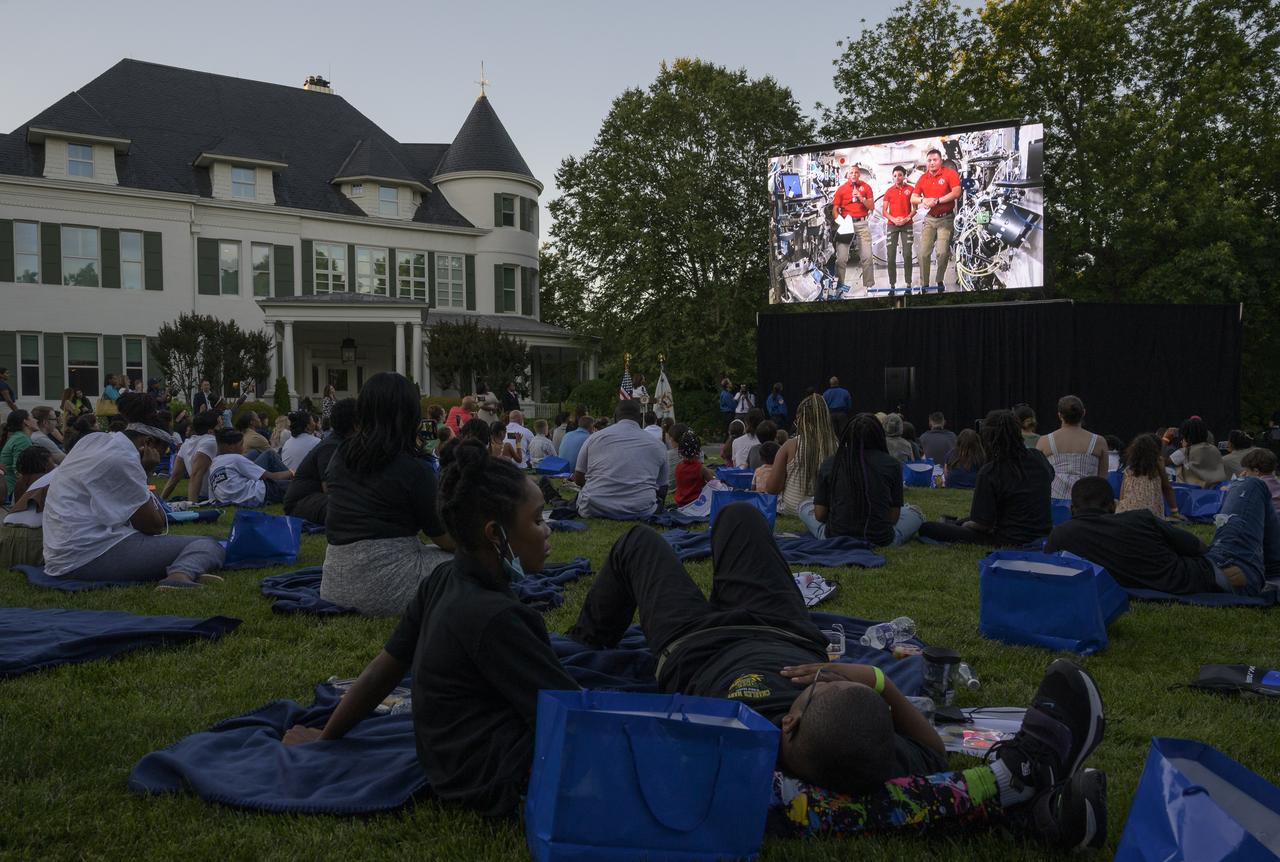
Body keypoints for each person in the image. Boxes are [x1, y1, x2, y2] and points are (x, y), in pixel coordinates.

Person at [287, 491, 1108, 850]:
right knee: (742, 516)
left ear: (793, 724)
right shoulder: (878, 759)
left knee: (641, 543)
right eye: (538, 516)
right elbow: (927, 777)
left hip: (696, 650)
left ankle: (588, 636)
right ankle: (1033, 797)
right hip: (781, 628)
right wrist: (875, 682)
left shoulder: (740, 756)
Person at [41, 392, 225, 589]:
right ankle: (180, 575)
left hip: (62, 553)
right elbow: (154, 525)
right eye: (163, 450)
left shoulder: (93, 441)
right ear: (149, 443)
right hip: (87, 556)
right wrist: (148, 471)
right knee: (207, 544)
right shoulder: (123, 459)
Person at [320, 373, 455, 616]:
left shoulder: (341, 454)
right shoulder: (414, 469)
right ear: (410, 415)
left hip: (334, 584)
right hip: (388, 587)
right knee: (478, 562)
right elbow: (444, 539)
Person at [1047, 475, 1277, 596]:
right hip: (1231, 573)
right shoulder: (1139, 519)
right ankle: (1275, 567)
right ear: (1113, 506)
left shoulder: (1059, 538)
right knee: (1249, 484)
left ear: (1071, 509)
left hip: (1221, 577)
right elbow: (1198, 547)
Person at [918, 410, 1055, 547]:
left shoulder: (991, 471)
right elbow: (1050, 476)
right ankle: (955, 524)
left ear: (988, 438)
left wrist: (966, 525)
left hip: (1007, 538)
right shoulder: (1038, 458)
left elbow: (982, 525)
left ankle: (954, 525)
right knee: (962, 522)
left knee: (928, 528)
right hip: (1042, 533)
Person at [800, 413, 923, 545]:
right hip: (880, 539)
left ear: (847, 435)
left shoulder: (830, 463)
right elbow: (893, 518)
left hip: (834, 536)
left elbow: (819, 515)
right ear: (879, 435)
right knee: (915, 512)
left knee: (804, 505)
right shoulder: (891, 464)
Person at [571, 399, 668, 520]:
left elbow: (579, 478)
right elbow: (662, 488)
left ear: (615, 417)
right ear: (639, 418)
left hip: (594, 506)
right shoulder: (658, 445)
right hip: (641, 509)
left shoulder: (594, 438)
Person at [285, 398, 356, 525]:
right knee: (349, 506)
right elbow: (329, 487)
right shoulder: (331, 447)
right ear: (354, 423)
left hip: (314, 499)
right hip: (301, 503)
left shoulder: (339, 443)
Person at [764, 394, 838, 516]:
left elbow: (772, 489)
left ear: (801, 419)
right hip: (826, 511)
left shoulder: (790, 445)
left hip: (791, 509)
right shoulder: (837, 446)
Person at [1036, 395, 1109, 499]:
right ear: (1083, 413)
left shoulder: (1044, 441)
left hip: (1054, 502)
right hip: (1089, 501)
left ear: (1060, 415)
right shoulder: (1099, 441)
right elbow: (1103, 479)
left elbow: (1037, 477)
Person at [911, 148, 963, 292]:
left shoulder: (949, 174)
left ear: (941, 161)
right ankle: (924, 284)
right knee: (923, 253)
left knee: (942, 252)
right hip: (929, 219)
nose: (932, 163)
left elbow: (956, 192)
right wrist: (924, 199)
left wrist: (937, 201)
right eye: (929, 160)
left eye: (935, 160)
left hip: (945, 219)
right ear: (926, 163)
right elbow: (913, 198)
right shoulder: (923, 178)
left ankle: (939, 280)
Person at [208, 428, 293, 508]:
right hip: (262, 493)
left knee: (255, 452)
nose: (243, 448)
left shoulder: (213, 465)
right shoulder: (235, 458)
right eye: (241, 445)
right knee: (300, 487)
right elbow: (271, 477)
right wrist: (292, 472)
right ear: (231, 448)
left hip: (242, 495)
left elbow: (213, 498)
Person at [831, 164, 875, 294]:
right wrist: (841, 222)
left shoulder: (866, 187)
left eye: (856, 173)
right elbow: (835, 210)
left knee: (867, 257)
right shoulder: (841, 189)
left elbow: (871, 206)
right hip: (847, 224)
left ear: (859, 174)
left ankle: (869, 286)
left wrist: (861, 197)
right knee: (841, 259)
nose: (854, 175)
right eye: (851, 173)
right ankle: (840, 287)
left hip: (862, 224)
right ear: (847, 175)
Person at [159, 409, 220, 502]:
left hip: (202, 494)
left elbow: (175, 477)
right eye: (220, 424)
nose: (222, 427)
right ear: (211, 430)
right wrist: (192, 505)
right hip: (213, 495)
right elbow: (196, 474)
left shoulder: (186, 444)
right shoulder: (211, 441)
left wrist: (161, 500)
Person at [1115, 434, 1179, 519]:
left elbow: (1122, 495)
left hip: (1126, 515)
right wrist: (1175, 512)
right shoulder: (1158, 467)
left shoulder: (1128, 470)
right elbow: (1167, 488)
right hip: (1152, 517)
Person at [881, 165, 917, 293]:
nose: (897, 177)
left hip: (907, 225)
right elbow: (884, 211)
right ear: (892, 176)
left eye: (900, 175)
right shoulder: (889, 191)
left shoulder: (911, 189)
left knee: (907, 254)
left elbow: (915, 209)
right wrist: (894, 219)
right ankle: (892, 285)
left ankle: (908, 283)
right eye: (895, 175)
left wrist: (907, 218)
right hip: (892, 225)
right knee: (891, 256)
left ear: (904, 176)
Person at [1172, 416, 1226, 488]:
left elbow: (1161, 462)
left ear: (1186, 435)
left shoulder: (1185, 451)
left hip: (1195, 493)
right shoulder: (1214, 449)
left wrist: (1165, 439)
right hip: (1217, 491)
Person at [1, 410, 36, 499]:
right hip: (10, 492)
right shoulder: (22, 439)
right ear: (26, 422)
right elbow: (19, 470)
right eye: (32, 417)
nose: (36, 420)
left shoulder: (18, 437)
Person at [674, 430, 714, 507]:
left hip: (680, 504)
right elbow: (714, 483)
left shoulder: (678, 467)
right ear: (698, 450)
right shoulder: (700, 468)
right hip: (696, 504)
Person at [1239, 448, 1280, 513]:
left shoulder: (1257, 485)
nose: (1245, 473)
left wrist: (1240, 480)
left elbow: (1241, 499)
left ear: (1256, 471)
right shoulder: (1275, 480)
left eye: (1247, 471)